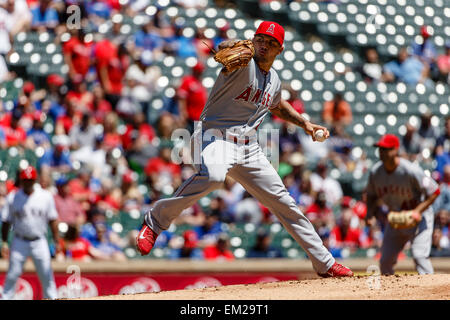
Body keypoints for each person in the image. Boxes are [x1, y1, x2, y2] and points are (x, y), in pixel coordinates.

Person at [136, 21, 353, 278]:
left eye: (271, 43)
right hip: (214, 137)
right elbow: (225, 48)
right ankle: (154, 222)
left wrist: (305, 123)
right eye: (260, 39)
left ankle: (325, 264)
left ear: (279, 50)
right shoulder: (242, 63)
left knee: (285, 203)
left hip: (249, 148)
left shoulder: (274, 80)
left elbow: (277, 105)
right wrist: (234, 45)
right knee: (215, 177)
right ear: (253, 40)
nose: (265, 45)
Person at [364, 134, 441, 275]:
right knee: (385, 260)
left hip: (419, 218)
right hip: (397, 217)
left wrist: (417, 211)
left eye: (386, 149)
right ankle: (391, 293)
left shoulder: (410, 170)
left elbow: (435, 191)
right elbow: (371, 195)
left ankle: (431, 293)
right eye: (380, 149)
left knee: (419, 255)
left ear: (395, 150)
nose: (382, 152)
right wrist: (369, 213)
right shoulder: (376, 172)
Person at [1, 166, 61, 299]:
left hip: (39, 241)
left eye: (30, 180)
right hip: (19, 241)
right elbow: (6, 221)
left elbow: (53, 220)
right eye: (26, 180)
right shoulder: (13, 197)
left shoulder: (45, 196)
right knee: (12, 274)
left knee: (46, 274)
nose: (28, 183)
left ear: (35, 180)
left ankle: (51, 298)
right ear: (21, 180)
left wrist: (56, 241)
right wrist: (5, 242)